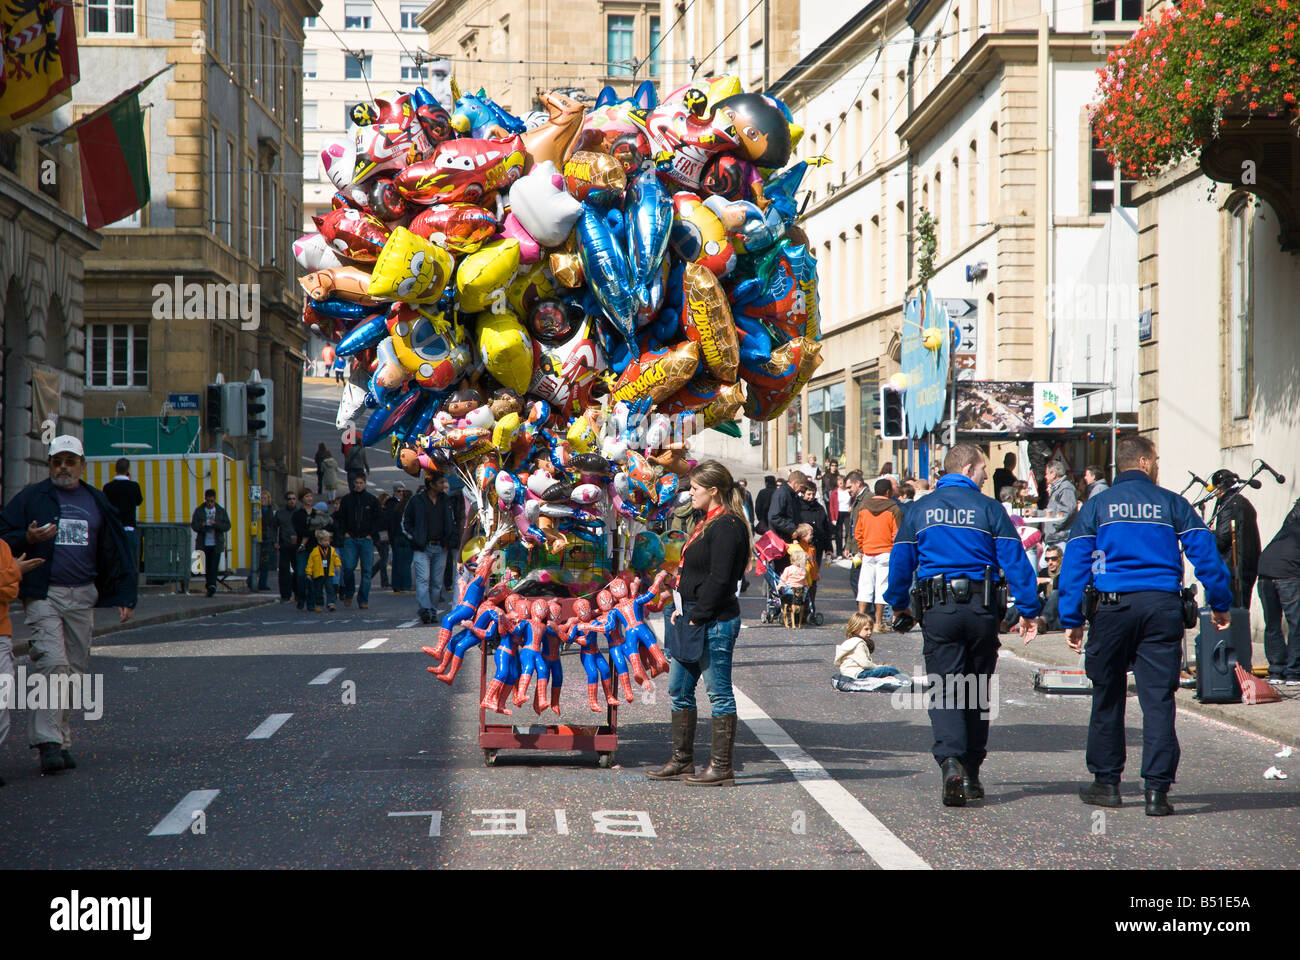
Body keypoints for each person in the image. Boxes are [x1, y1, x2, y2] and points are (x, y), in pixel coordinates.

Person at [1057, 435, 1232, 817]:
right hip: (1161, 608)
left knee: (1107, 696)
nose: (1157, 464)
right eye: (1155, 459)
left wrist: (1071, 619)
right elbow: (1205, 552)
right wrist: (1220, 602)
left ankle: (1106, 784)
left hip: (1111, 609)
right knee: (1158, 700)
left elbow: (1074, 563)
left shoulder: (1097, 506)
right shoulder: (1173, 503)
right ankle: (1157, 791)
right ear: (1143, 462)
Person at [885, 443, 1040, 808]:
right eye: (984, 469)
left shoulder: (919, 509)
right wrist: (1030, 610)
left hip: (938, 609)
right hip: (982, 608)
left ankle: (951, 762)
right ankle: (971, 772)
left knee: (946, 687)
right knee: (978, 688)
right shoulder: (989, 509)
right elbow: (1015, 560)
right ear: (970, 467)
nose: (987, 475)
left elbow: (901, 559)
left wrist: (898, 604)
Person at [0, 435, 137, 775]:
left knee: (75, 671)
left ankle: (61, 737)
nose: (63, 467)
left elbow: (118, 547)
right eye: (57, 461)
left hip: (83, 594)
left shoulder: (96, 500)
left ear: (82, 465)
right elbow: (3, 534)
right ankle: (47, 742)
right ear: (50, 465)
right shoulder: (32, 498)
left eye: (70, 461)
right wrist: (27, 539)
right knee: (54, 663)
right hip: (44, 593)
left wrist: (125, 594)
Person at [649, 460, 750, 786]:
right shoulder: (707, 521)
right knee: (679, 689)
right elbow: (697, 572)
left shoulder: (727, 525)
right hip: (692, 615)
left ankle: (722, 768)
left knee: (718, 693)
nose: (689, 493)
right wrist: (681, 604)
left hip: (713, 619)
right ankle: (682, 760)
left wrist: (696, 613)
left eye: (694, 488)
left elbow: (722, 578)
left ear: (713, 490)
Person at [0, 528, 45, 785]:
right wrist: (14, 571)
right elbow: (10, 581)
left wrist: (9, 576)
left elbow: (10, 592)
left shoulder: (3, 547)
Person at [403, 472, 458, 623]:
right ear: (431, 484)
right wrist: (415, 539)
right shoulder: (416, 500)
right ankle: (425, 609)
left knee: (436, 582)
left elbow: (452, 522)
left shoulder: (446, 501)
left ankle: (432, 610)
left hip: (441, 548)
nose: (443, 486)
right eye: (440, 483)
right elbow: (405, 522)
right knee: (423, 579)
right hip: (422, 548)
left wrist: (449, 542)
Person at [1257, 498, 1300, 685]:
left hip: (1265, 571)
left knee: (1272, 624)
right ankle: (1294, 673)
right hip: (1287, 574)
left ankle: (1276, 671)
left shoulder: (1288, 528)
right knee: (1296, 623)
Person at [1209, 469, 1261, 609]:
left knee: (1234, 615)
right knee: (1241, 612)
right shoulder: (1243, 502)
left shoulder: (1228, 505)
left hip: (1234, 569)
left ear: (1218, 488)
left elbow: (1221, 541)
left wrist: (1207, 533)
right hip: (1246, 565)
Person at [854, 478, 902, 627]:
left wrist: (862, 547)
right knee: (882, 587)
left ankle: (861, 622)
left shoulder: (863, 507)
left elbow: (858, 532)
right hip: (886, 552)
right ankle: (878, 623)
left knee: (865, 586)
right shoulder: (894, 508)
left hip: (868, 551)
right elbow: (897, 534)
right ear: (888, 492)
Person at [336, 472, 382, 609]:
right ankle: (349, 593)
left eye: (361, 483)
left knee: (367, 571)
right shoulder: (347, 500)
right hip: (350, 538)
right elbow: (341, 518)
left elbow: (378, 519)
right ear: (353, 484)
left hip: (366, 539)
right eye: (356, 483)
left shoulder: (372, 500)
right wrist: (345, 533)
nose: (358, 485)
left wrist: (371, 534)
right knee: (348, 567)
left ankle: (363, 599)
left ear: (365, 483)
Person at [1003, 543, 1063, 632]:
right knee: (1031, 598)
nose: (1050, 562)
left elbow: (1065, 588)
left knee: (1056, 593)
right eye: (1047, 559)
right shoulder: (1044, 572)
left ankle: (1043, 620)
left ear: (1061, 559)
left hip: (1061, 614)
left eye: (1053, 559)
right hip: (1044, 611)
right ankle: (1004, 623)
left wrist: (1048, 581)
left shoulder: (1066, 572)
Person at [102, 457, 143, 576]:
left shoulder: (108, 487)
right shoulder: (134, 486)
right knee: (130, 561)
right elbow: (139, 501)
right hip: (129, 528)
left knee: (113, 562)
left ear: (115, 469)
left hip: (112, 529)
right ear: (128, 470)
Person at [836, 613, 906, 680]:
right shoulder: (858, 643)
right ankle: (903, 679)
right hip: (858, 674)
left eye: (871, 629)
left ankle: (890, 678)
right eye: (866, 629)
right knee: (887, 669)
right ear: (856, 628)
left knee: (882, 671)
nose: (869, 632)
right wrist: (878, 667)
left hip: (849, 673)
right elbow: (865, 664)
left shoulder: (850, 642)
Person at [190, 488, 232, 598]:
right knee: (205, 566)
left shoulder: (220, 511)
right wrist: (202, 525)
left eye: (211, 501)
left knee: (213, 565)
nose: (209, 503)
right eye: (208, 501)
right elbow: (194, 525)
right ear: (205, 499)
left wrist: (215, 524)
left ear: (215, 500)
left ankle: (212, 586)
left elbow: (227, 525)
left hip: (216, 543)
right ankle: (210, 585)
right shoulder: (199, 510)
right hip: (203, 543)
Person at [1042, 459, 1078, 551]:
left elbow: (1066, 512)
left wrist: (1053, 528)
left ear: (1053, 474)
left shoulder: (1066, 488)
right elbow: (1051, 512)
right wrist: (1036, 513)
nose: (1045, 476)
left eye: (1046, 473)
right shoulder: (1058, 488)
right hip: (1054, 538)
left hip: (1060, 539)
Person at [272, 489, 300, 602]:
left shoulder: (299, 512)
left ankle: (298, 593)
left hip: (297, 546)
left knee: (298, 570)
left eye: (294, 499)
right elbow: (274, 528)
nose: (292, 501)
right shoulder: (280, 513)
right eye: (289, 499)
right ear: (285, 501)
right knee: (283, 570)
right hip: (284, 544)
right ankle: (285, 594)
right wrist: (275, 541)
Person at [306, 528, 342, 612]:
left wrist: (338, 565)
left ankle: (330, 603)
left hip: (329, 573)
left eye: (328, 540)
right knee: (318, 590)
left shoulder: (332, 550)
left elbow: (336, 557)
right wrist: (308, 572)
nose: (327, 542)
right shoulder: (314, 551)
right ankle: (319, 604)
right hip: (318, 574)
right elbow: (310, 563)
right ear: (319, 541)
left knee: (330, 588)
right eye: (325, 541)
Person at [388, 484, 414, 593]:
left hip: (397, 537)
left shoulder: (396, 508)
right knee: (407, 563)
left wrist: (392, 538)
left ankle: (396, 585)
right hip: (407, 538)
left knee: (397, 562)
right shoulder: (411, 509)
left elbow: (391, 524)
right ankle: (406, 585)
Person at [248, 488, 275, 592]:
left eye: (266, 498)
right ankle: (251, 580)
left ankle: (262, 583)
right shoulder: (256, 510)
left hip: (267, 538)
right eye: (262, 498)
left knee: (265, 562)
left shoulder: (270, 510)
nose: (264, 500)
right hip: (259, 536)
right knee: (256, 561)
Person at [292, 489, 314, 610]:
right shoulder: (298, 514)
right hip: (302, 548)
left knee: (314, 575)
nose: (309, 498)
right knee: (301, 573)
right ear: (302, 499)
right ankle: (301, 597)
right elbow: (299, 530)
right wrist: (313, 532)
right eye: (307, 496)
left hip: (314, 547)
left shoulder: (316, 513)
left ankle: (311, 601)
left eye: (311, 496)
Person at [374, 492, 392, 589]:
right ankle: (384, 581)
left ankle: (371, 574)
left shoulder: (386, 510)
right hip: (380, 537)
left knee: (383, 559)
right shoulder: (379, 511)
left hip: (385, 536)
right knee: (384, 559)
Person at [832, 477, 851, 557]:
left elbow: (853, 500)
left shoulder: (848, 491)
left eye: (842, 481)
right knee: (838, 533)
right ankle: (839, 552)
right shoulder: (834, 492)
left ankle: (846, 550)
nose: (841, 482)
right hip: (838, 513)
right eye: (839, 481)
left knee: (848, 532)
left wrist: (851, 506)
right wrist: (833, 518)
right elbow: (831, 506)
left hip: (847, 512)